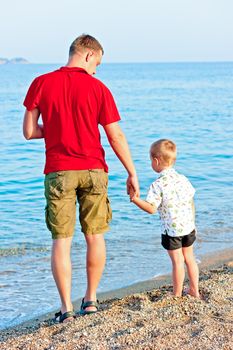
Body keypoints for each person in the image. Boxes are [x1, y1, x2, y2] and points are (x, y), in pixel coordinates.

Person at [23, 34, 139, 322]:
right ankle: (91, 299)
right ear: (88, 55)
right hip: (93, 170)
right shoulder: (98, 88)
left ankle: (66, 309)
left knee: (61, 241)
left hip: (59, 171)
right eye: (97, 63)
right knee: (95, 236)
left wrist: (57, 128)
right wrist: (132, 172)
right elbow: (115, 135)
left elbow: (29, 131)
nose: (96, 70)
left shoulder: (41, 83)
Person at [130, 139, 200, 298]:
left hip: (172, 231)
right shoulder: (183, 179)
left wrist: (135, 200)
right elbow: (191, 202)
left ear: (156, 161)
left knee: (177, 262)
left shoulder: (158, 184)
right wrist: (193, 223)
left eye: (150, 160)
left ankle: (176, 294)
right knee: (189, 258)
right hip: (189, 227)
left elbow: (151, 209)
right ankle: (194, 290)